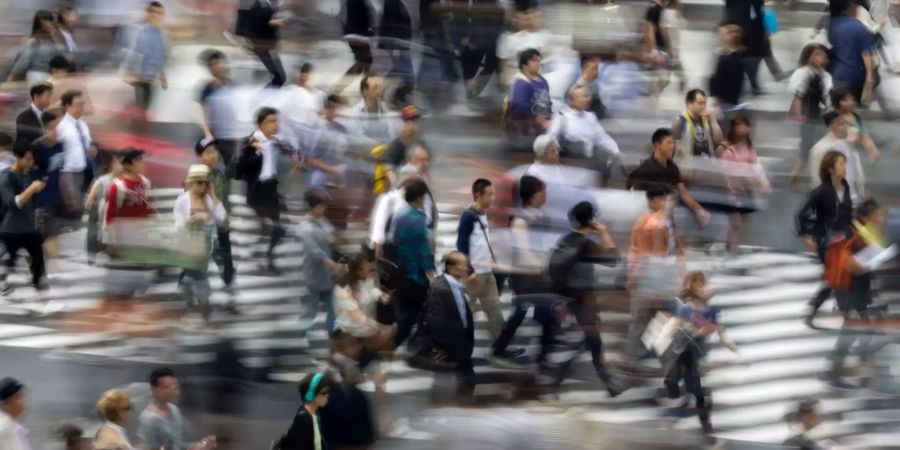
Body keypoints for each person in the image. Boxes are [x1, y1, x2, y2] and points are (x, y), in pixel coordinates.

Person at [551, 201, 624, 397]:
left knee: (590, 342)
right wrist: (604, 233)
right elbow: (613, 259)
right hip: (584, 301)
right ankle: (556, 382)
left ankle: (609, 385)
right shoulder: (586, 244)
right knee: (591, 342)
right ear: (591, 221)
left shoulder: (565, 240)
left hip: (570, 299)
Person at [491, 175, 559, 369]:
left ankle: (540, 356)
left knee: (541, 314)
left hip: (535, 276)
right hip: (524, 276)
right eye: (542, 191)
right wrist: (541, 268)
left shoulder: (539, 215)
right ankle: (500, 350)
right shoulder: (521, 220)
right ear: (532, 195)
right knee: (523, 313)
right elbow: (523, 251)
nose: (545, 195)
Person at [659, 271, 738, 434]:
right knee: (672, 380)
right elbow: (673, 327)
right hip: (681, 353)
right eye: (697, 284)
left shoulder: (712, 311)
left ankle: (705, 424)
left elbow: (722, 334)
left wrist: (734, 349)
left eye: (703, 283)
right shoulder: (685, 307)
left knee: (700, 393)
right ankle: (679, 405)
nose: (702, 287)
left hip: (696, 356)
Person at [456, 179, 523, 361]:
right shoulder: (468, 217)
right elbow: (461, 246)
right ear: (478, 194)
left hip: (486, 274)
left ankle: (499, 349)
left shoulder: (482, 214)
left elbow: (480, 243)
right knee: (465, 315)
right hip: (473, 277)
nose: (492, 198)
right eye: (489, 194)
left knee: (494, 312)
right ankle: (451, 350)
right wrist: (469, 272)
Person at [827, 199, 891, 388]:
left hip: (862, 289)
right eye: (878, 215)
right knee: (853, 330)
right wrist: (873, 261)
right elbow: (851, 266)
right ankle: (836, 371)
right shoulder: (853, 236)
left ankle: (862, 369)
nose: (882, 218)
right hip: (848, 289)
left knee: (866, 328)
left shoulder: (872, 235)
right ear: (865, 217)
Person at [797, 150, 854, 328]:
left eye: (845, 164)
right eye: (841, 164)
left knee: (837, 277)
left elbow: (848, 215)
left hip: (843, 240)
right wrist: (806, 235)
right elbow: (802, 214)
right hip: (827, 242)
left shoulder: (846, 187)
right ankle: (844, 313)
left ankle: (821, 308)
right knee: (836, 276)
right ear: (831, 168)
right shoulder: (821, 192)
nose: (844, 168)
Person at [174, 165, 226, 326]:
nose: (202, 186)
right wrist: (194, 219)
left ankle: (195, 304)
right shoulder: (182, 200)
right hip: (188, 244)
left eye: (205, 183)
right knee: (198, 276)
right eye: (199, 183)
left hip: (205, 245)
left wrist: (213, 196)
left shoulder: (209, 199)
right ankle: (202, 308)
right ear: (191, 183)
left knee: (197, 274)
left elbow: (222, 218)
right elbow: (178, 225)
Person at [237, 107, 287, 273]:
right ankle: (265, 259)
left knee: (277, 229)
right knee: (274, 228)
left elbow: (294, 156)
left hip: (271, 189)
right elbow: (241, 168)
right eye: (271, 122)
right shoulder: (251, 141)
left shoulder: (276, 141)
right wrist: (257, 151)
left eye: (277, 121)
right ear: (260, 125)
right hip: (257, 191)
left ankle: (262, 254)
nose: (275, 125)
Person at [627, 128, 710, 227]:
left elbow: (683, 193)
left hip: (667, 221)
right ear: (657, 145)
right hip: (650, 224)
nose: (673, 147)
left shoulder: (673, 168)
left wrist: (699, 211)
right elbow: (633, 194)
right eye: (669, 143)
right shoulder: (645, 169)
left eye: (673, 143)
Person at [714, 115, 771, 250]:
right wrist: (729, 189)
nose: (744, 129)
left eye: (746, 125)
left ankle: (731, 243)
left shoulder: (748, 146)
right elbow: (722, 172)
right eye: (740, 125)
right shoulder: (726, 148)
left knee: (740, 221)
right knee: (736, 221)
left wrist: (764, 185)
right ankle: (727, 244)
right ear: (733, 128)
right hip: (729, 190)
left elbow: (756, 167)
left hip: (744, 189)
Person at [391, 179, 436, 348]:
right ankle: (391, 345)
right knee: (412, 314)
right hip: (415, 276)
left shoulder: (401, 215)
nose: (425, 201)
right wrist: (430, 273)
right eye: (424, 197)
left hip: (402, 272)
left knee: (407, 311)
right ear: (418, 198)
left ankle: (407, 340)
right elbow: (423, 249)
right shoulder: (418, 219)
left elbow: (395, 241)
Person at [425, 251, 477, 395]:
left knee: (465, 382)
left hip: (460, 343)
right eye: (463, 265)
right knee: (462, 382)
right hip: (448, 346)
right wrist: (442, 346)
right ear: (451, 267)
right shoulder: (439, 287)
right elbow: (435, 319)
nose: (467, 268)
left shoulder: (456, 286)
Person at [549, 85, 623, 184]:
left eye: (587, 96)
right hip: (572, 163)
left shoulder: (590, 116)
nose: (587, 99)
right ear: (571, 100)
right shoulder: (562, 117)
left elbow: (602, 137)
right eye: (583, 96)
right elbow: (551, 138)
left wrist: (616, 151)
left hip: (592, 161)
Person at [0, 145, 47, 295]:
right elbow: (15, 204)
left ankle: (39, 287)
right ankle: (3, 286)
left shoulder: (28, 175)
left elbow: (30, 203)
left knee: (38, 262)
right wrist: (32, 189)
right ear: (17, 156)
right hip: (10, 230)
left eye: (32, 159)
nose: (30, 163)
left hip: (29, 229)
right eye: (27, 159)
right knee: (7, 262)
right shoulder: (5, 178)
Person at [195, 139, 237, 306]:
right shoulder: (195, 178)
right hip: (203, 229)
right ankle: (199, 298)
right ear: (199, 156)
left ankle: (231, 296)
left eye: (215, 151)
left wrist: (226, 219)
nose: (214, 155)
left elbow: (224, 200)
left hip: (221, 228)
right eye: (208, 152)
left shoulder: (219, 174)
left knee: (227, 262)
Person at [299, 189, 345, 333]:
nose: (325, 209)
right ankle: (301, 331)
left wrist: (332, 239)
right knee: (311, 310)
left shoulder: (322, 220)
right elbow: (315, 253)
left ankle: (331, 337)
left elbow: (332, 233)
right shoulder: (306, 228)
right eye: (322, 206)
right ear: (313, 206)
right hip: (313, 277)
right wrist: (334, 266)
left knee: (334, 307)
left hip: (326, 277)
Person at [788, 43, 833, 188]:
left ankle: (820, 180)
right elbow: (798, 95)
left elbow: (827, 97)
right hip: (807, 115)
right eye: (818, 54)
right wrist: (799, 116)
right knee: (806, 150)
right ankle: (794, 178)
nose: (822, 58)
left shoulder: (825, 75)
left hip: (819, 115)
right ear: (808, 57)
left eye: (824, 56)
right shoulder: (802, 73)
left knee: (822, 148)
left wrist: (830, 112)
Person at [197, 50, 244, 177]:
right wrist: (207, 133)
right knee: (209, 169)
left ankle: (223, 195)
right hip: (212, 135)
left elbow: (235, 110)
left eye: (219, 63)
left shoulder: (231, 86)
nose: (217, 67)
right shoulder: (207, 88)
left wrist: (237, 134)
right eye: (213, 64)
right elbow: (203, 111)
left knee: (229, 169)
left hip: (228, 136)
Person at [30, 110, 66, 272]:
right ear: (45, 128)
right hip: (41, 196)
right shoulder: (36, 147)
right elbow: (29, 170)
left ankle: (44, 264)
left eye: (58, 126)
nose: (56, 130)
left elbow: (60, 170)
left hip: (56, 195)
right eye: (52, 127)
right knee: (47, 230)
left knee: (51, 231)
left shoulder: (60, 145)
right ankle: (58, 266)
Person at [807, 111, 866, 205]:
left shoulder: (846, 144)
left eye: (845, 124)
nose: (845, 128)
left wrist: (861, 190)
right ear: (830, 127)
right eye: (841, 124)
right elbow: (817, 176)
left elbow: (855, 169)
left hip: (851, 197)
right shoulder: (822, 149)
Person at [56, 90, 96, 228]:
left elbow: (88, 144)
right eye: (78, 104)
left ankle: (75, 228)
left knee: (83, 203)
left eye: (82, 104)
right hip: (69, 171)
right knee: (74, 204)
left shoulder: (83, 125)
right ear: (67, 105)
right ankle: (71, 229)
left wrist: (91, 149)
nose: (81, 107)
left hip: (85, 170)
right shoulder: (61, 127)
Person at [828, 0, 877, 103]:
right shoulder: (859, 28)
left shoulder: (833, 25)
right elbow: (866, 54)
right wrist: (869, 75)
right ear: (852, 6)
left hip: (838, 74)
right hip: (856, 75)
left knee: (838, 106)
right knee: (852, 107)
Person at [123, 1, 168, 112]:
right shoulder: (141, 32)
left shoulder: (160, 34)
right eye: (152, 12)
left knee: (147, 107)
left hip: (152, 78)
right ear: (147, 14)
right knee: (141, 108)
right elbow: (134, 52)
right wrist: (132, 71)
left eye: (159, 13)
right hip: (141, 78)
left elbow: (160, 57)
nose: (155, 15)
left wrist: (162, 76)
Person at [506, 48, 552, 147]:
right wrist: (536, 118)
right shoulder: (521, 82)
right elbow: (520, 105)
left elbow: (548, 101)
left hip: (543, 123)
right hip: (527, 127)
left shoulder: (543, 81)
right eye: (534, 60)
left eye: (539, 60)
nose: (538, 63)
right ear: (524, 64)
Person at [84, 150, 122, 265]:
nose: (121, 166)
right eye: (118, 163)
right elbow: (89, 202)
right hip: (102, 217)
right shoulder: (102, 181)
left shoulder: (124, 181)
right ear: (111, 165)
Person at [6, 10, 63, 83]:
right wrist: (11, 79)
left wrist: (54, 35)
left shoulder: (53, 40)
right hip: (37, 76)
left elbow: (61, 55)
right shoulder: (34, 41)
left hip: (53, 76)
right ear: (40, 23)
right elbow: (23, 62)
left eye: (50, 21)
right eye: (46, 21)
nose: (50, 24)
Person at [305, 95, 349, 189]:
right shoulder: (319, 130)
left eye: (338, 108)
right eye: (332, 108)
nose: (336, 111)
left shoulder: (343, 129)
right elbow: (311, 159)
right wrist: (333, 170)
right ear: (326, 110)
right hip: (322, 181)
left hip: (338, 181)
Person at [670, 89, 723, 167]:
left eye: (705, 103)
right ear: (689, 104)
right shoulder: (680, 121)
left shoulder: (706, 120)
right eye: (700, 103)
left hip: (706, 164)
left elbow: (719, 140)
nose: (703, 107)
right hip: (688, 166)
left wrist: (713, 120)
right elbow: (675, 148)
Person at [280, 372, 332, 450]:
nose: (327, 395)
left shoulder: (314, 412)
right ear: (311, 394)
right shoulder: (304, 418)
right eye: (323, 393)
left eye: (328, 392)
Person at [708, 25, 747, 116]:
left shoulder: (731, 58)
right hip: (726, 99)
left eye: (723, 34)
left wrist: (715, 96)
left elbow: (724, 79)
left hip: (726, 101)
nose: (720, 36)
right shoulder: (727, 55)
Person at [351, 75, 399, 144]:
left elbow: (391, 132)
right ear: (365, 91)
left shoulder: (384, 107)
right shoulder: (356, 112)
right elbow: (359, 138)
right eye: (375, 87)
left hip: (385, 147)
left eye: (379, 87)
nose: (379, 90)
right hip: (366, 149)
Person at [384, 105, 426, 173]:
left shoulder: (421, 144)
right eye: (411, 121)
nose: (415, 124)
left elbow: (425, 169)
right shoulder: (396, 145)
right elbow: (389, 171)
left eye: (417, 121)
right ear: (403, 123)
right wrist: (398, 183)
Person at [15, 83, 52, 148]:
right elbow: (23, 139)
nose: (49, 98)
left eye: (50, 96)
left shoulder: (50, 116)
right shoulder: (23, 117)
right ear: (36, 96)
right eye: (47, 96)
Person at [572, 55, 607, 120]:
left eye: (597, 69)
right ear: (584, 69)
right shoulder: (578, 89)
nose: (596, 72)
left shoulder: (594, 85)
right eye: (594, 68)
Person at [0, 378, 29, 450]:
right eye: (19, 397)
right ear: (8, 402)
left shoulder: (15, 426)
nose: (23, 401)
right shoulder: (4, 427)